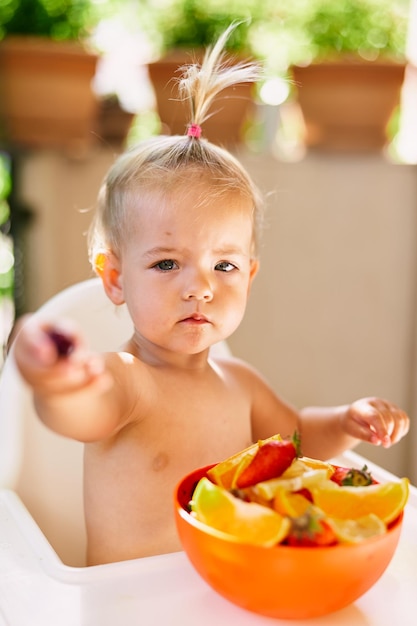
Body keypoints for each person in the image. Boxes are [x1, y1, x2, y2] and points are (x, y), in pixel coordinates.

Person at [12, 25, 409, 566]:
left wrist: (343, 422)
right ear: (115, 278)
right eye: (167, 263)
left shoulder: (240, 384)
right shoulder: (129, 379)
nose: (199, 286)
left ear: (248, 277)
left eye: (223, 265)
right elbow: (82, 410)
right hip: (130, 610)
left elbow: (295, 441)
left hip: (228, 596)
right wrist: (59, 381)